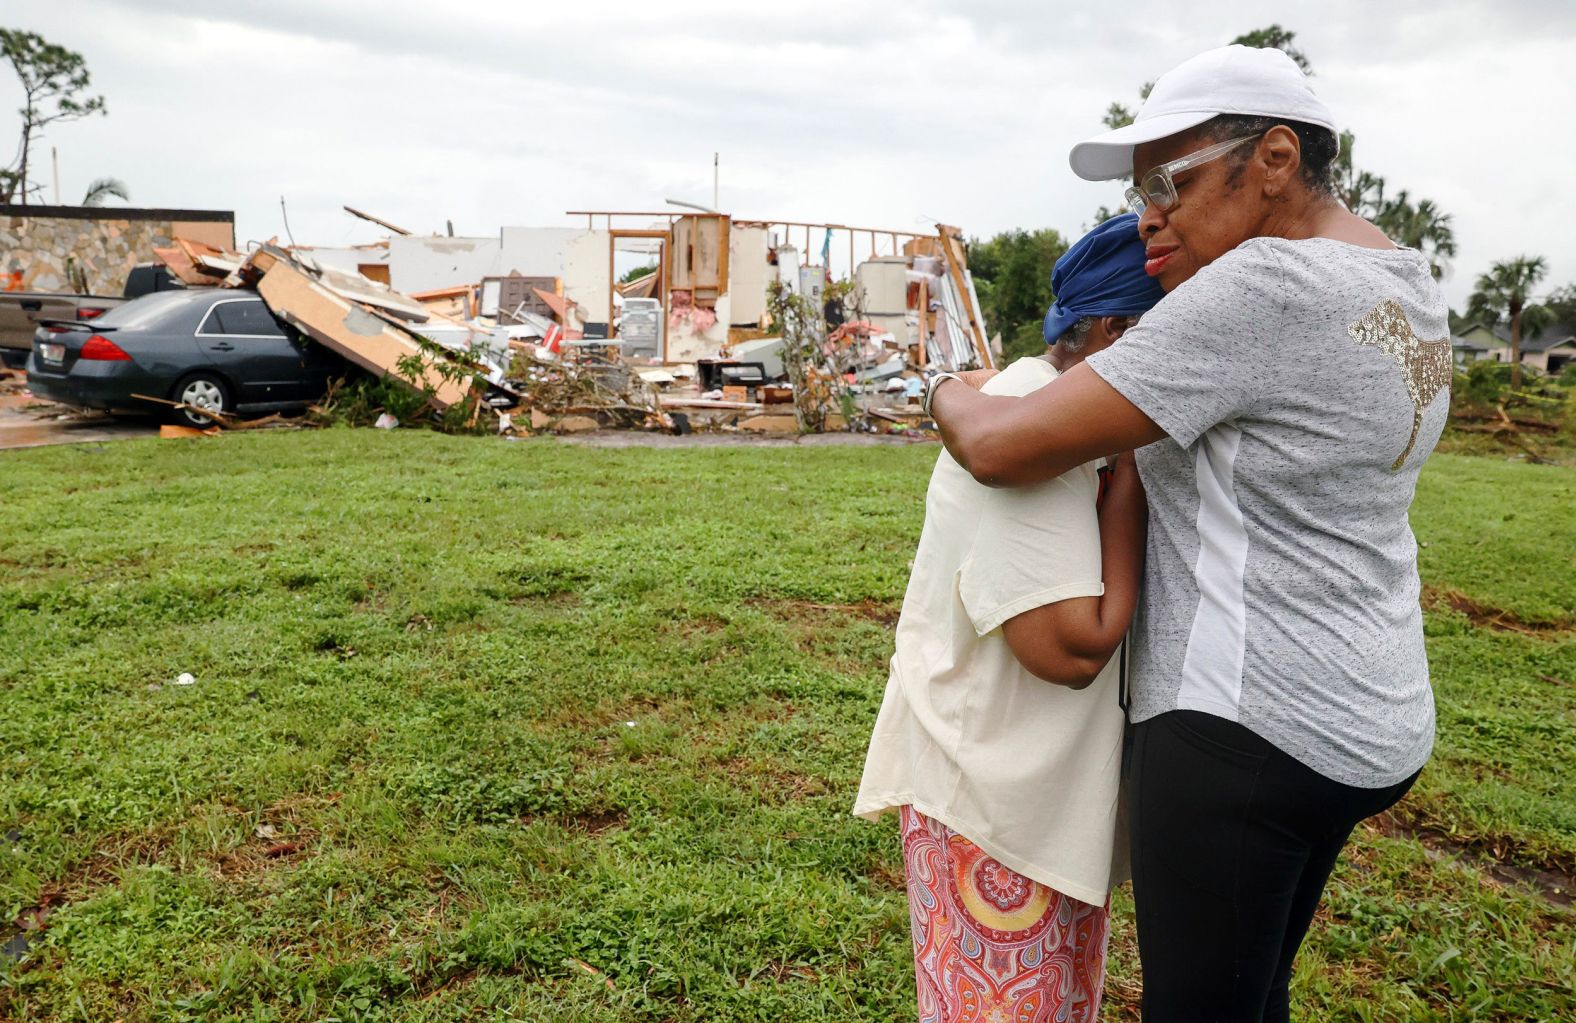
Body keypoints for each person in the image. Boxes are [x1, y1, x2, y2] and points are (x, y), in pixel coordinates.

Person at [925, 45, 1449, 1022]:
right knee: (1252, 995)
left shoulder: (1263, 290)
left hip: (1240, 729)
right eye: (1140, 192)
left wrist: (947, 385)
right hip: (1370, 713)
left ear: (1276, 159)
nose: (1147, 216)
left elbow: (998, 447)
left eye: (1173, 183)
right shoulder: (1403, 282)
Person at [854, 214, 1165, 1023]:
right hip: (991, 810)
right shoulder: (1042, 422)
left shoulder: (1037, 400)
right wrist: (1128, 479)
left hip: (1017, 791)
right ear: (1115, 330)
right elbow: (1068, 645)